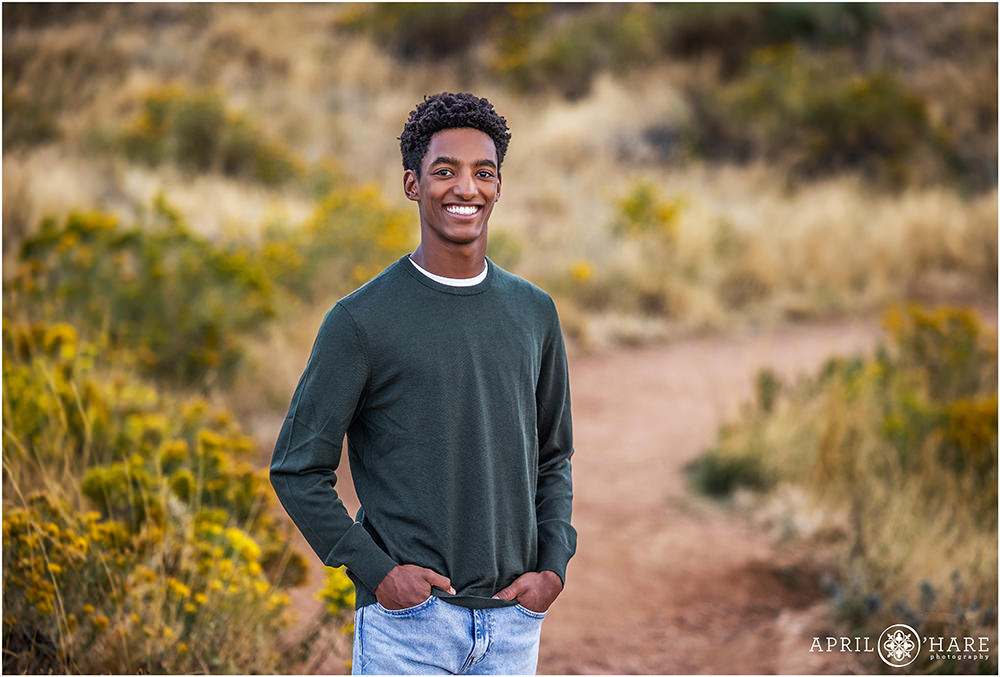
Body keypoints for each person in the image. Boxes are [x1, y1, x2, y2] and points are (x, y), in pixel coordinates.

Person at [269, 91, 576, 675]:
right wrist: (378, 572)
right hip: (409, 627)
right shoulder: (361, 321)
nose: (467, 188)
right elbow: (296, 468)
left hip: (513, 625)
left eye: (483, 173)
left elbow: (553, 454)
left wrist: (554, 567)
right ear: (412, 184)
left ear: (499, 186)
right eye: (445, 171)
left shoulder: (534, 312)